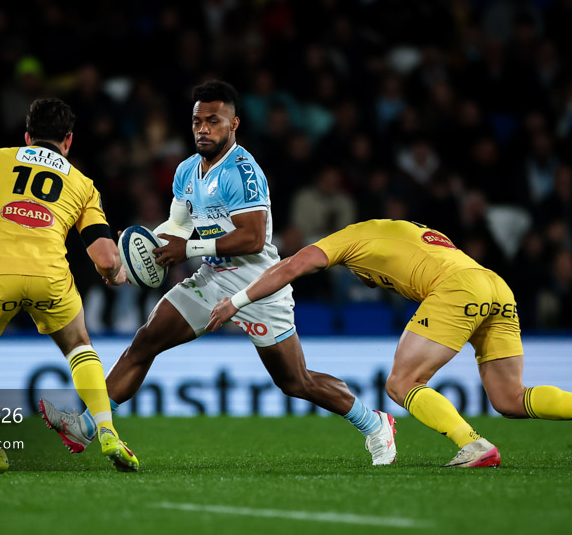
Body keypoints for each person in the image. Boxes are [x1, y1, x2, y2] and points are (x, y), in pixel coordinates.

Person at [39, 81, 396, 465]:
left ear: (234, 124)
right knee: (146, 340)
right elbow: (177, 227)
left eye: (213, 121)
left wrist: (188, 249)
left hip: (259, 285)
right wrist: (134, 257)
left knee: (295, 381)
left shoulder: (242, 171)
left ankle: (374, 422)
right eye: (197, 122)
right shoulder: (187, 170)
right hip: (212, 279)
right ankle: (86, 426)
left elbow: (253, 238)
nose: (203, 129)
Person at [207, 219, 572, 467]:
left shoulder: (343, 241)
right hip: (496, 285)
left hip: (459, 289)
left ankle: (473, 444)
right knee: (509, 398)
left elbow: (289, 267)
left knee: (401, 383)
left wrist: (236, 301)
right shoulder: (408, 232)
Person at [0, 98, 138, 475]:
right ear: (68, 140)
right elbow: (105, 259)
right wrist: (116, 274)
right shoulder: (82, 184)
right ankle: (107, 431)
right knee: (79, 346)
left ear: (28, 136)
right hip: (50, 277)